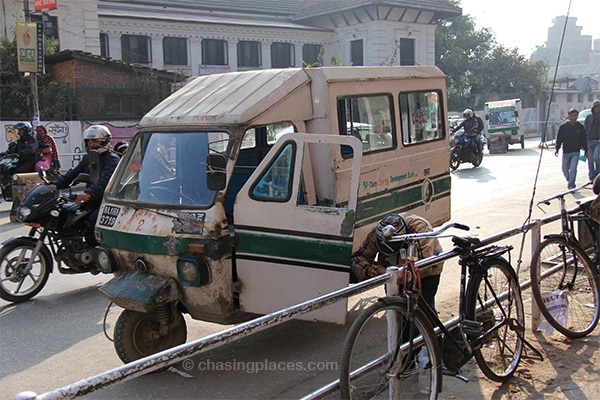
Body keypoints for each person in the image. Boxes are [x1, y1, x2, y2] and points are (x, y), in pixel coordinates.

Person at [351, 213, 443, 311]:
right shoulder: (378, 233)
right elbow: (359, 257)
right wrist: (367, 269)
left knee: (422, 309)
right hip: (392, 270)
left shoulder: (420, 228)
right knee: (396, 309)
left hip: (426, 273)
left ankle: (428, 323)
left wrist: (387, 272)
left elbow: (423, 266)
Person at [52, 125, 120, 226]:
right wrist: (53, 185)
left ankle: (96, 242)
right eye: (88, 141)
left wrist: (88, 193)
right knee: (66, 215)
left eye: (95, 141)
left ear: (105, 141)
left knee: (93, 221)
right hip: (91, 200)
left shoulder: (112, 159)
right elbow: (72, 174)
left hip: (106, 201)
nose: (91, 144)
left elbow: (105, 181)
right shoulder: (87, 159)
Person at [555, 108, 587, 190]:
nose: (573, 117)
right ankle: (570, 180)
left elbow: (584, 139)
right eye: (572, 116)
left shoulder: (580, 127)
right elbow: (559, 139)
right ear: (568, 116)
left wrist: (586, 150)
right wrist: (557, 148)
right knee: (565, 169)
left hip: (576, 152)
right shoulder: (563, 127)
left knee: (573, 169)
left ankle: (571, 185)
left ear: (577, 116)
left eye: (575, 115)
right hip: (566, 152)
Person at [584, 100, 600, 182]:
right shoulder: (589, 118)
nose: (597, 109)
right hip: (589, 141)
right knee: (590, 160)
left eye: (598, 107)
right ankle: (591, 176)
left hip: (598, 141)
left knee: (596, 158)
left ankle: (598, 175)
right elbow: (585, 129)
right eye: (596, 107)